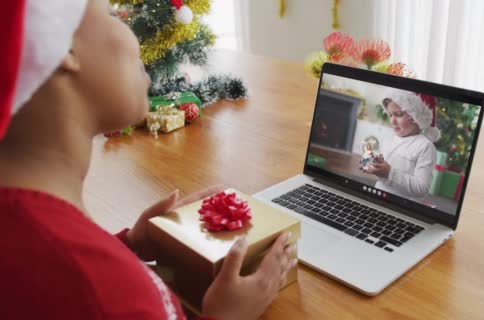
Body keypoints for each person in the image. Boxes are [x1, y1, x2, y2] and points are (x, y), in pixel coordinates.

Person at [0, 1, 296, 319]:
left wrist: (126, 247)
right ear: (63, 47)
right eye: (111, 14)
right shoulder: (108, 291)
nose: (132, 31)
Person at [364, 89, 440, 201]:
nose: (392, 121)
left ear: (417, 117)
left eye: (398, 115)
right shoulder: (390, 138)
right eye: (390, 115)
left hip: (403, 207)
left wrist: (389, 173)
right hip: (378, 197)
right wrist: (373, 165)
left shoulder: (425, 146)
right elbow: (382, 164)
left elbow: (421, 188)